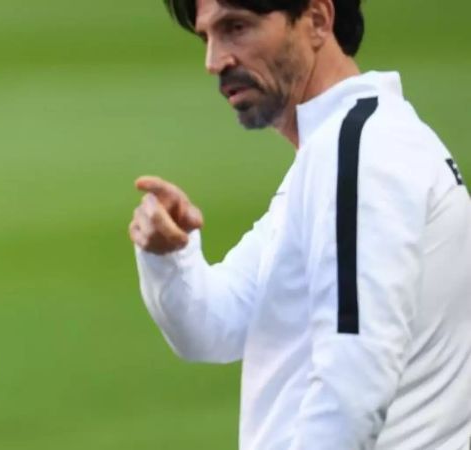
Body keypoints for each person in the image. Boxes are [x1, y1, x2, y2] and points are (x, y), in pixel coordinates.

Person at [129, 0, 470, 448]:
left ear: (316, 20)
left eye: (236, 27)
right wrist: (169, 257)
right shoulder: (338, 150)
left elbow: (353, 383)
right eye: (206, 37)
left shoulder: (362, 153)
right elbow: (214, 327)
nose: (214, 61)